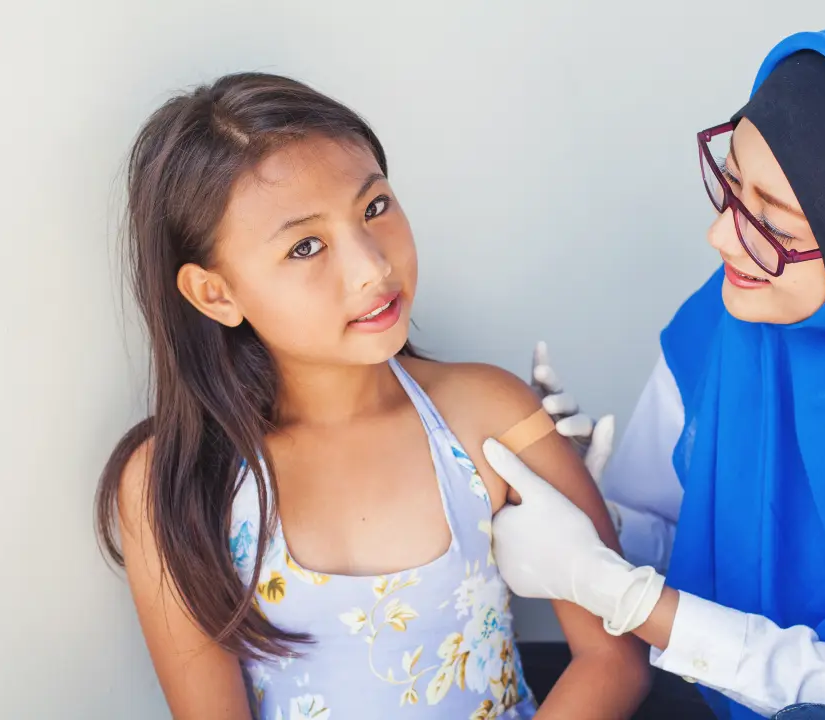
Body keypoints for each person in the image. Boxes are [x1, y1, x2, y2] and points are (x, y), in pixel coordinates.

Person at [494, 12, 825, 720]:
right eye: (731, 183)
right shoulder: (735, 321)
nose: (722, 236)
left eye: (775, 225)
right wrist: (592, 510)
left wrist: (615, 592)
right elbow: (698, 549)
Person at [95, 73, 650, 720]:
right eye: (306, 246)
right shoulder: (175, 482)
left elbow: (614, 658)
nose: (371, 266)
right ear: (216, 294)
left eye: (375, 208)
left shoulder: (491, 416)